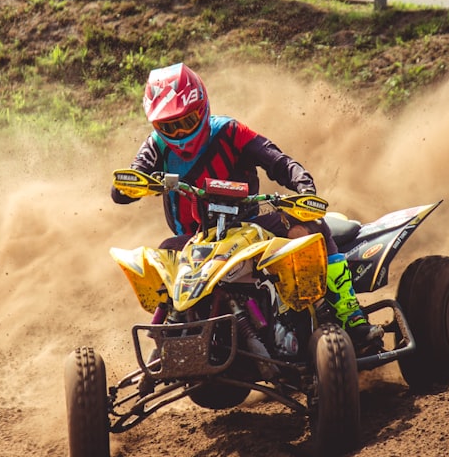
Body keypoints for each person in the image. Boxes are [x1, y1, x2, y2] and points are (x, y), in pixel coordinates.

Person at [111, 62, 382, 346]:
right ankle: (171, 344)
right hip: (195, 242)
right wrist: (134, 185)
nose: (178, 134)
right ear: (156, 125)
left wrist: (303, 187)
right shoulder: (155, 146)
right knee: (163, 258)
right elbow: (124, 187)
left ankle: (350, 316)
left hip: (248, 227)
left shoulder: (229, 131)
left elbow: (279, 162)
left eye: (186, 123)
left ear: (202, 110)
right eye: (168, 126)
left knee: (311, 228)